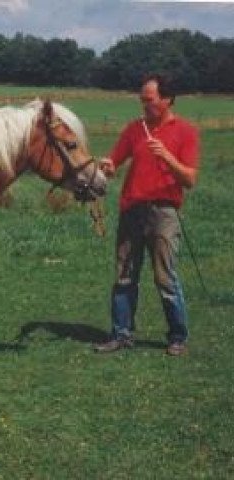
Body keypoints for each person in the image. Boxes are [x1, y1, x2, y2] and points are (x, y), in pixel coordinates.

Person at [94, 73, 200, 356]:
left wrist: (167, 157)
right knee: (124, 275)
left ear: (167, 100)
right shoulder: (134, 129)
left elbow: (190, 179)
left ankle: (177, 336)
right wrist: (108, 166)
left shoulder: (186, 132)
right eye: (142, 100)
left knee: (165, 277)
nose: (144, 105)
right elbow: (114, 162)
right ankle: (121, 334)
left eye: (149, 100)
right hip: (132, 210)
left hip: (164, 212)